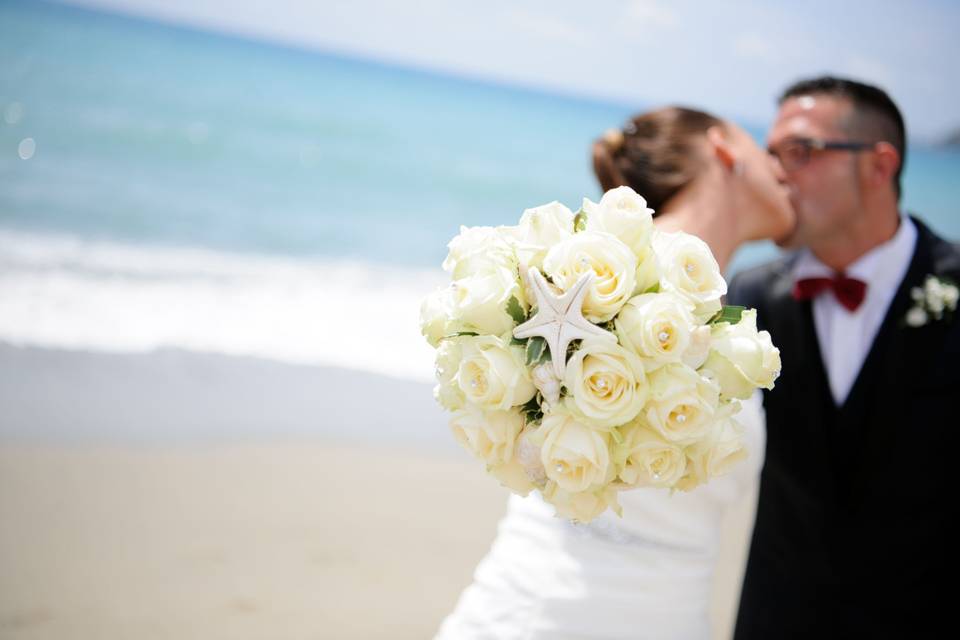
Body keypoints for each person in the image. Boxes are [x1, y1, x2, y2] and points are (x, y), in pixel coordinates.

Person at [435, 106, 794, 640]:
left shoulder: (735, 317)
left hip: (674, 617)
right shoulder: (580, 279)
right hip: (532, 613)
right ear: (725, 149)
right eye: (767, 147)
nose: (783, 168)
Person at [729, 76, 959, 638]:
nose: (776, 173)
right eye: (770, 154)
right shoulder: (751, 293)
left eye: (800, 152)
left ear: (880, 166)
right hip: (773, 616)